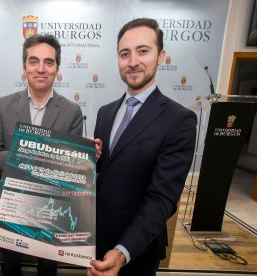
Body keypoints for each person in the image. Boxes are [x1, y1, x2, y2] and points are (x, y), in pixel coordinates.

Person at [0, 33, 101, 276]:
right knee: (10, 266)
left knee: (48, 267)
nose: (41, 68)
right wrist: (28, 155)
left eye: (49, 62)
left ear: (57, 68)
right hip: (11, 206)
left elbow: (69, 171)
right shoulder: (3, 105)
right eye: (33, 61)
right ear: (24, 67)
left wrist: (83, 155)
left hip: (52, 207)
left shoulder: (72, 111)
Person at [89, 18, 197, 276]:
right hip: (96, 240)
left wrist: (122, 251)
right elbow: (106, 176)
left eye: (143, 51)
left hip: (136, 250)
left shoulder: (179, 120)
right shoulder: (105, 113)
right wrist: (88, 161)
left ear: (161, 56)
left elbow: (162, 199)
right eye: (125, 54)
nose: (133, 61)